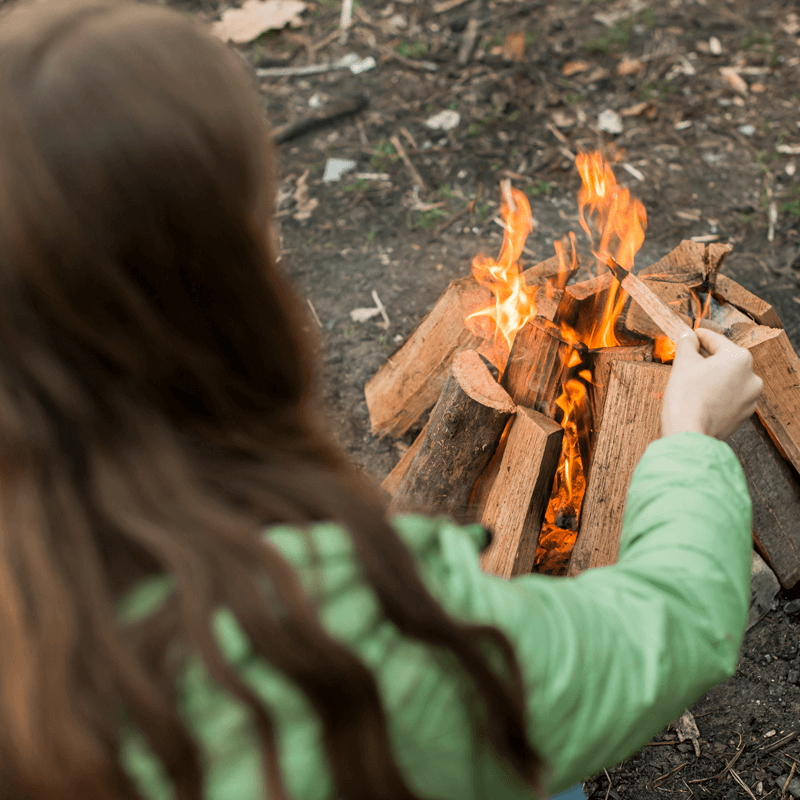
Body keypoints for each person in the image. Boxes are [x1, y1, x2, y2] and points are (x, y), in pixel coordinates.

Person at [0, 1, 764, 799]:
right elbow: (667, 628)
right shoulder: (340, 639)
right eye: (258, 227)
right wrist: (689, 438)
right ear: (217, 292)